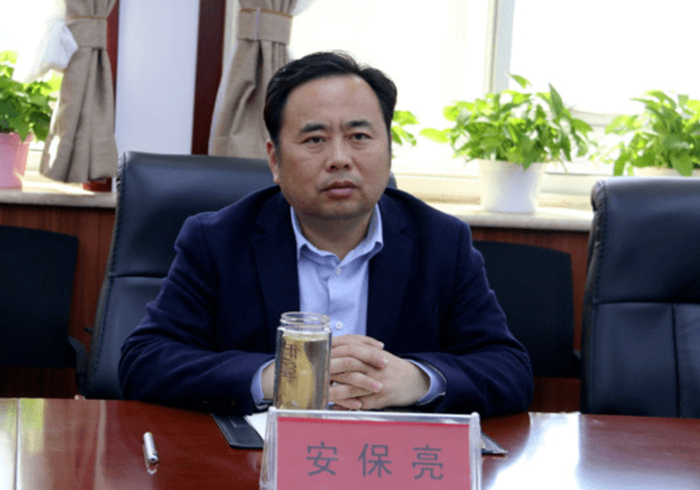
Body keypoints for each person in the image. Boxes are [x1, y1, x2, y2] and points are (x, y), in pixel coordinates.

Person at [119, 51, 533, 416]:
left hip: (386, 462)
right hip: (257, 460)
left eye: (359, 137)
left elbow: (508, 368)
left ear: (389, 150)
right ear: (275, 161)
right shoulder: (218, 240)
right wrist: (277, 378)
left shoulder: (441, 241)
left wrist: (419, 379)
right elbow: (145, 360)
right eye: (315, 139)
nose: (339, 159)